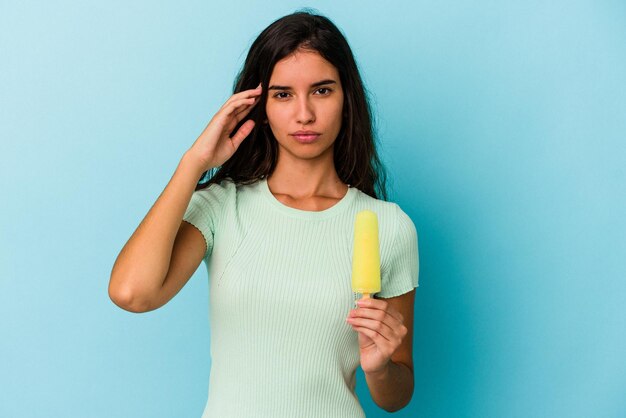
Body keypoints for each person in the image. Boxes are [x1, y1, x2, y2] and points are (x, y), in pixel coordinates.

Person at [109, 9, 418, 418]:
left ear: (347, 99)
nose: (304, 114)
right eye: (283, 94)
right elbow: (132, 293)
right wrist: (194, 163)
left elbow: (396, 395)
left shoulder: (388, 226)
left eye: (322, 91)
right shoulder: (220, 207)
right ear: (260, 105)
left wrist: (379, 369)